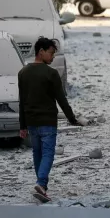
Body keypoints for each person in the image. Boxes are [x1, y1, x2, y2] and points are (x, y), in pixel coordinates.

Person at [18, 37, 81, 202]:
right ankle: (41, 183)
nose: (53, 57)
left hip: (31, 122)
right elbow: (61, 100)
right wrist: (72, 119)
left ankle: (42, 187)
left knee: (37, 153)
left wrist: (22, 126)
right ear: (41, 51)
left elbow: (22, 101)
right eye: (51, 53)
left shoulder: (23, 73)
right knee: (48, 153)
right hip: (47, 122)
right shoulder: (51, 74)